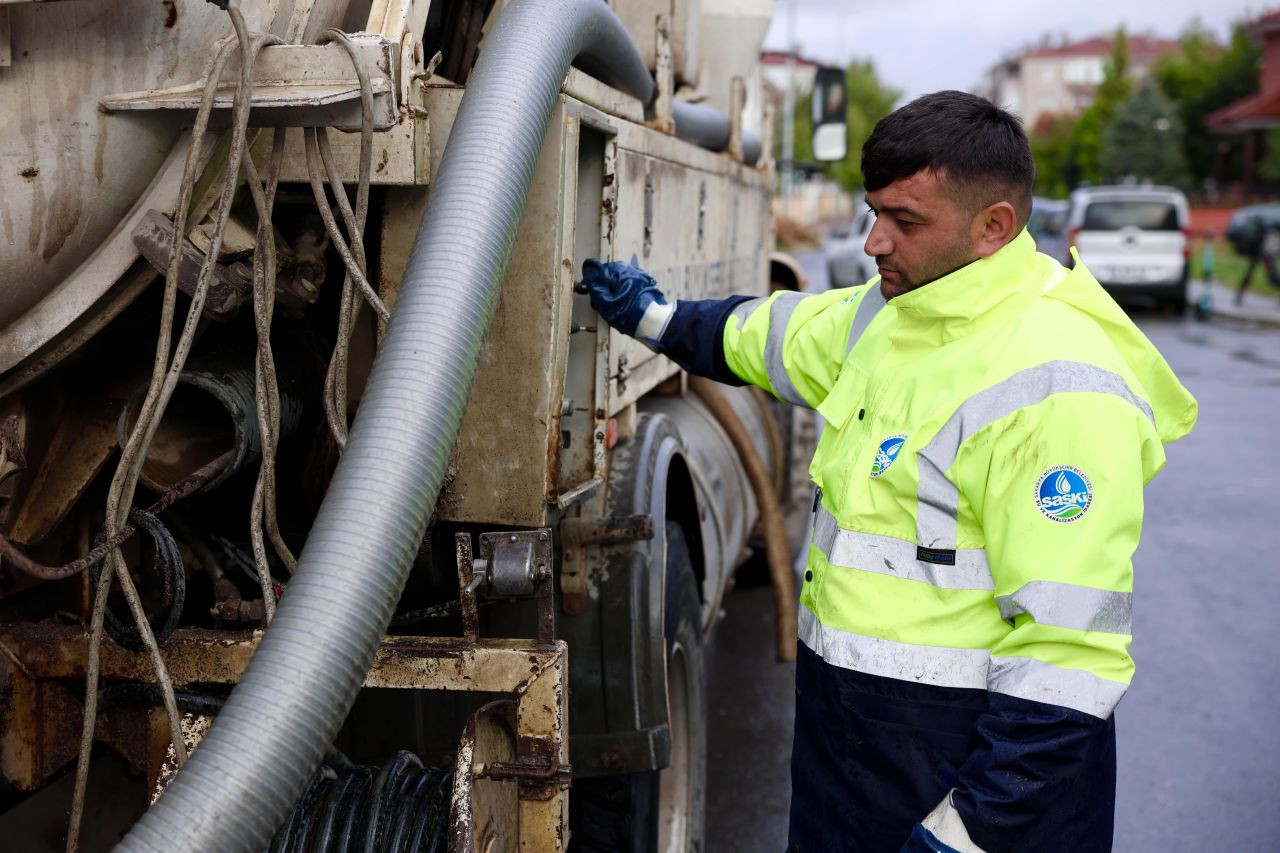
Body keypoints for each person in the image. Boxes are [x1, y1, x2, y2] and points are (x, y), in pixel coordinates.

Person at [583, 91, 1197, 852]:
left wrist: (967, 832)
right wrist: (657, 318)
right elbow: (769, 334)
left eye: (904, 221)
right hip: (850, 758)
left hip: (969, 783)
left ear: (993, 228)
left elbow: (1067, 662)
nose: (874, 242)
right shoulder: (890, 313)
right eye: (874, 212)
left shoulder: (1059, 384)